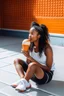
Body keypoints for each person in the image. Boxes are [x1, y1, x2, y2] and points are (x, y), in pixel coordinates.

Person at [11, 22, 55, 92]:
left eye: (32, 34)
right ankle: (23, 80)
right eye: (29, 33)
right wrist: (27, 54)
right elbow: (28, 63)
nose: (29, 36)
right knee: (17, 60)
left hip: (45, 76)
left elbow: (48, 69)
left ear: (39, 36)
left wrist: (30, 58)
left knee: (33, 65)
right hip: (33, 71)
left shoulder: (47, 49)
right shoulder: (30, 45)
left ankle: (25, 82)